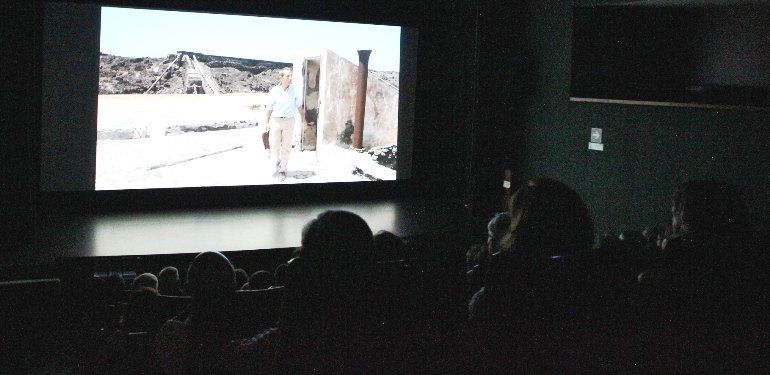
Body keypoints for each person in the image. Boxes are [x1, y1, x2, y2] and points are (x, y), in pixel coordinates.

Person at [263, 67, 306, 181]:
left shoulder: (294, 90)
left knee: (286, 147)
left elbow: (299, 107)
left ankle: (282, 170)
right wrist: (266, 123)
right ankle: (277, 164)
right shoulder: (274, 91)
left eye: (291, 75)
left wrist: (304, 121)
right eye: (288, 76)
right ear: (281, 77)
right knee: (274, 146)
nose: (290, 78)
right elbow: (269, 108)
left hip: (289, 121)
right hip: (276, 121)